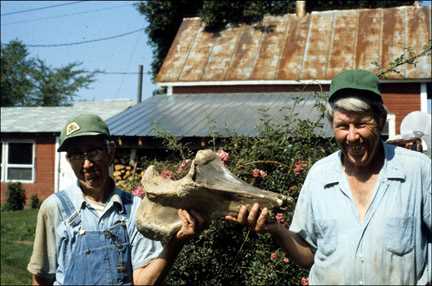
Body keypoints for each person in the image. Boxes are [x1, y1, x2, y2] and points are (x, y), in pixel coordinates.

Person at [226, 69, 432, 285]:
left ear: (380, 121)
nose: (352, 136)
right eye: (343, 126)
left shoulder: (417, 171)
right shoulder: (319, 176)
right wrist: (275, 229)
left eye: (361, 124)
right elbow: (308, 256)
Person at [27, 113, 204, 285]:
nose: (87, 164)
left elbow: (143, 282)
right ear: (68, 160)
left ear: (110, 152)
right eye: (77, 155)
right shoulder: (54, 207)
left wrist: (176, 243)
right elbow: (41, 278)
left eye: (94, 152)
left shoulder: (135, 209)